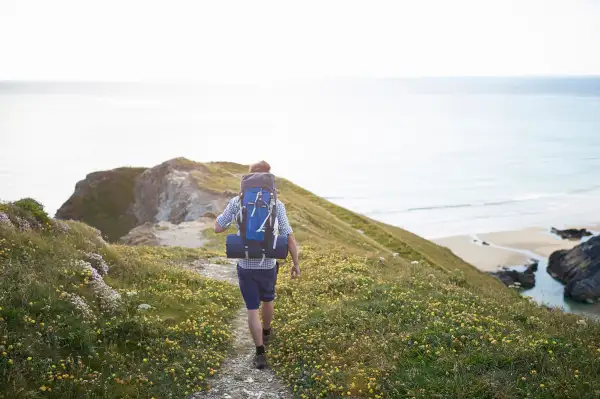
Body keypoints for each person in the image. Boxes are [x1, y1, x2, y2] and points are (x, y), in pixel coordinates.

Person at [213, 160, 300, 369]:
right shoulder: (277, 204)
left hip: (245, 264)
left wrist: (221, 218)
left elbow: (217, 228)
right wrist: (296, 263)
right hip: (268, 263)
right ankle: (267, 332)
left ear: (249, 177)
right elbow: (289, 236)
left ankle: (260, 352)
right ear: (269, 178)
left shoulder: (238, 201)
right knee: (268, 300)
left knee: (252, 309)